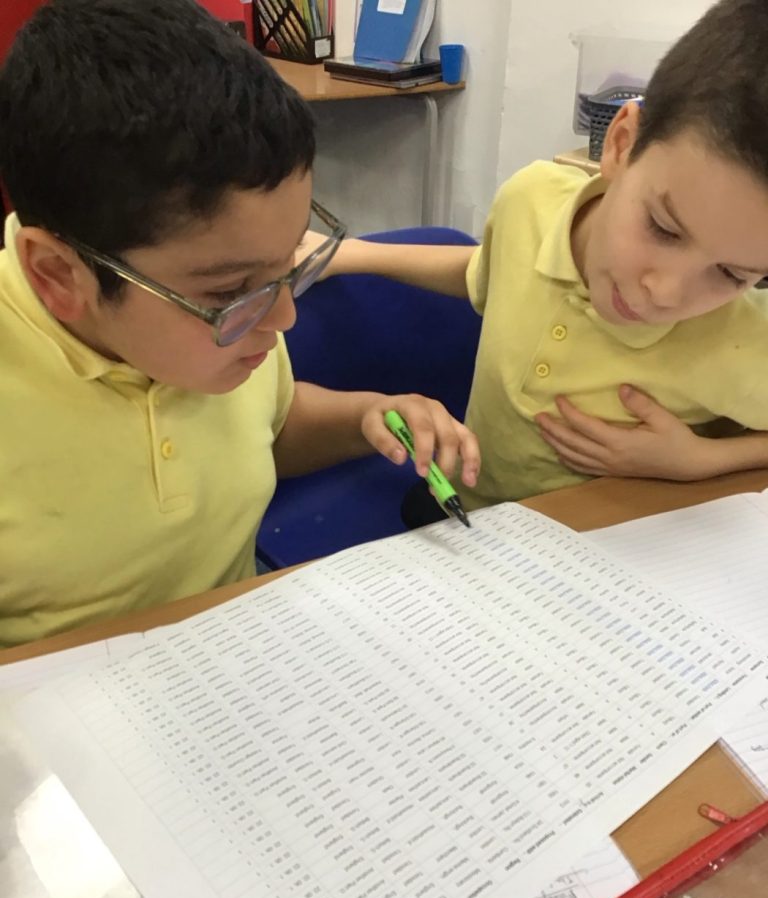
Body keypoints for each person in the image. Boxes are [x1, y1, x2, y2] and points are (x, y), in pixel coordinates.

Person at [0, 0, 479, 648]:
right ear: (60, 276)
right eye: (230, 292)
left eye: (291, 261)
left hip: (237, 658)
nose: (284, 318)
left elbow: (265, 427)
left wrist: (368, 414)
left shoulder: (235, 328)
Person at [320, 0, 768, 522]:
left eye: (731, 274)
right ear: (621, 143)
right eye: (663, 228)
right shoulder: (529, 199)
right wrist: (352, 254)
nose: (665, 292)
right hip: (468, 513)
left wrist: (699, 459)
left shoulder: (737, 339)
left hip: (593, 547)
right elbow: (489, 272)